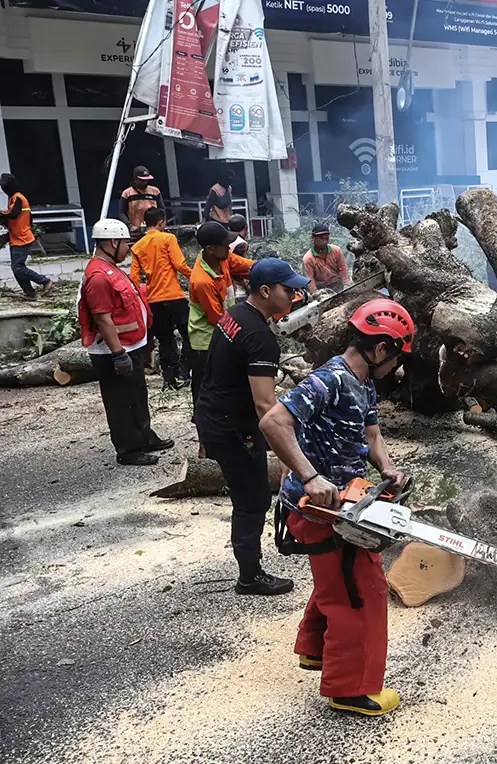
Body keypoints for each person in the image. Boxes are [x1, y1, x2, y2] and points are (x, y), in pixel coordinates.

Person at [261, 298, 414, 717]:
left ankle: (315, 649)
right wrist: (310, 475)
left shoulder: (362, 383)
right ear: (380, 348)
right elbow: (273, 421)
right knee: (361, 592)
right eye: (396, 355)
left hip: (346, 500)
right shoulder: (329, 380)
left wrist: (387, 468)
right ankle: (350, 690)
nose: (396, 366)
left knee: (336, 580)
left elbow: (373, 434)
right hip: (317, 506)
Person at [196, 258, 307, 596]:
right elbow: (264, 404)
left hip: (213, 412)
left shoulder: (235, 314)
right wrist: (289, 452)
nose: (293, 295)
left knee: (248, 494)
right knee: (253, 498)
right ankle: (249, 576)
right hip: (233, 425)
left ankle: (250, 569)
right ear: (265, 291)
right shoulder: (260, 337)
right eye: (287, 290)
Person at [78, 218, 174, 465]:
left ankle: (144, 436)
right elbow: (102, 318)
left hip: (130, 345)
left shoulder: (110, 268)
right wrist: (118, 354)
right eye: (125, 244)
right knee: (120, 400)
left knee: (137, 395)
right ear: (113, 242)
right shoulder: (98, 276)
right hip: (114, 350)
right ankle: (128, 449)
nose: (128, 249)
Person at [188, 221, 255, 415]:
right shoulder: (202, 281)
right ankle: (205, 436)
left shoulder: (223, 258)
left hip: (225, 329)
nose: (228, 247)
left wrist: (271, 269)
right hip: (207, 339)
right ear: (210, 249)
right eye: (224, 244)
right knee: (207, 390)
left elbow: (244, 265)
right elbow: (216, 318)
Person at [130, 206, 193, 389]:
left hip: (154, 300)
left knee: (165, 340)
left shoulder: (138, 246)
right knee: (189, 336)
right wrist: (195, 277)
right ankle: (184, 372)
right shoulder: (168, 238)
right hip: (174, 295)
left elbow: (134, 277)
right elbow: (179, 264)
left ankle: (169, 379)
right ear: (161, 222)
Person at [0, 173, 53, 301]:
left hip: (22, 238)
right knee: (16, 268)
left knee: (18, 267)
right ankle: (30, 293)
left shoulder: (18, 198)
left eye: (2, 185)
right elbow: (22, 218)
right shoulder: (14, 198)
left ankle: (44, 281)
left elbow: (13, 214)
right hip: (17, 237)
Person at [303, 223, 350, 293]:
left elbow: (343, 268)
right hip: (322, 289)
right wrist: (316, 294)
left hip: (338, 283)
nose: (324, 241)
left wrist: (346, 285)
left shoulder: (336, 250)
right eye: (321, 238)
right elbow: (310, 280)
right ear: (313, 237)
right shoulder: (308, 259)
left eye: (326, 238)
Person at [119, 166, 164, 235]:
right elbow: (121, 212)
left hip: (154, 230)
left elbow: (162, 210)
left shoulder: (155, 191)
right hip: (136, 230)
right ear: (136, 179)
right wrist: (130, 226)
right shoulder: (127, 193)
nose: (145, 182)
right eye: (142, 180)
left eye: (147, 180)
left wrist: (162, 225)